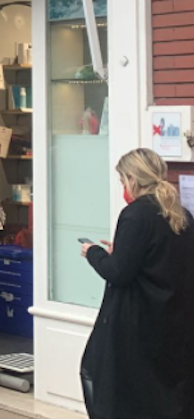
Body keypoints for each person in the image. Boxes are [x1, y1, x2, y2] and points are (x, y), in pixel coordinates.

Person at [80, 148, 194, 419]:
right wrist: (121, 252)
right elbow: (160, 258)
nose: (123, 187)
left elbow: (119, 272)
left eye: (122, 181)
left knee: (114, 386)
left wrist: (93, 253)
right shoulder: (182, 214)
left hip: (136, 323)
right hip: (174, 322)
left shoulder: (134, 214)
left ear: (132, 178)